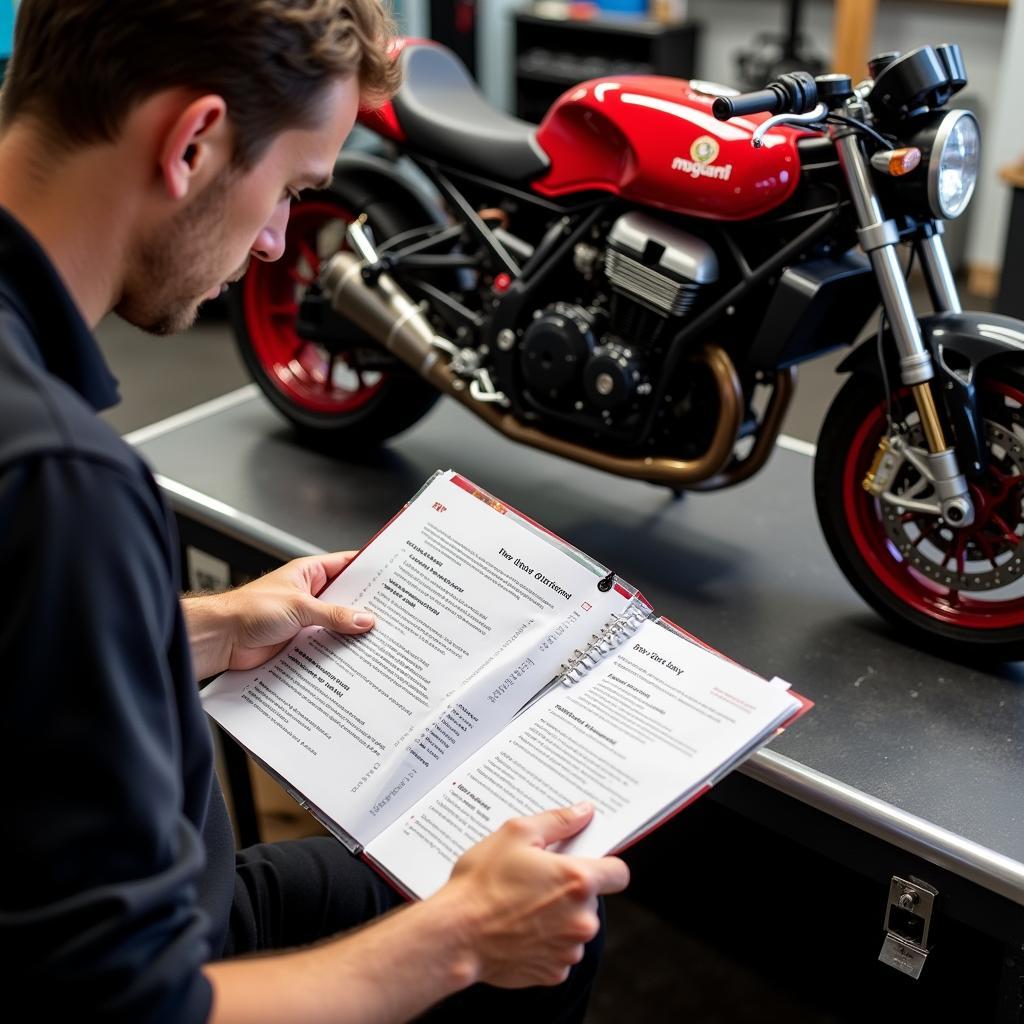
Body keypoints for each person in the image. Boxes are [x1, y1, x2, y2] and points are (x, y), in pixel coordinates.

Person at [0, 2, 630, 1021]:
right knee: (514, 945)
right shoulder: (64, 482)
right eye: (292, 189)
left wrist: (199, 627)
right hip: (163, 963)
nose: (277, 242)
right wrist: (459, 939)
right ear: (195, 142)